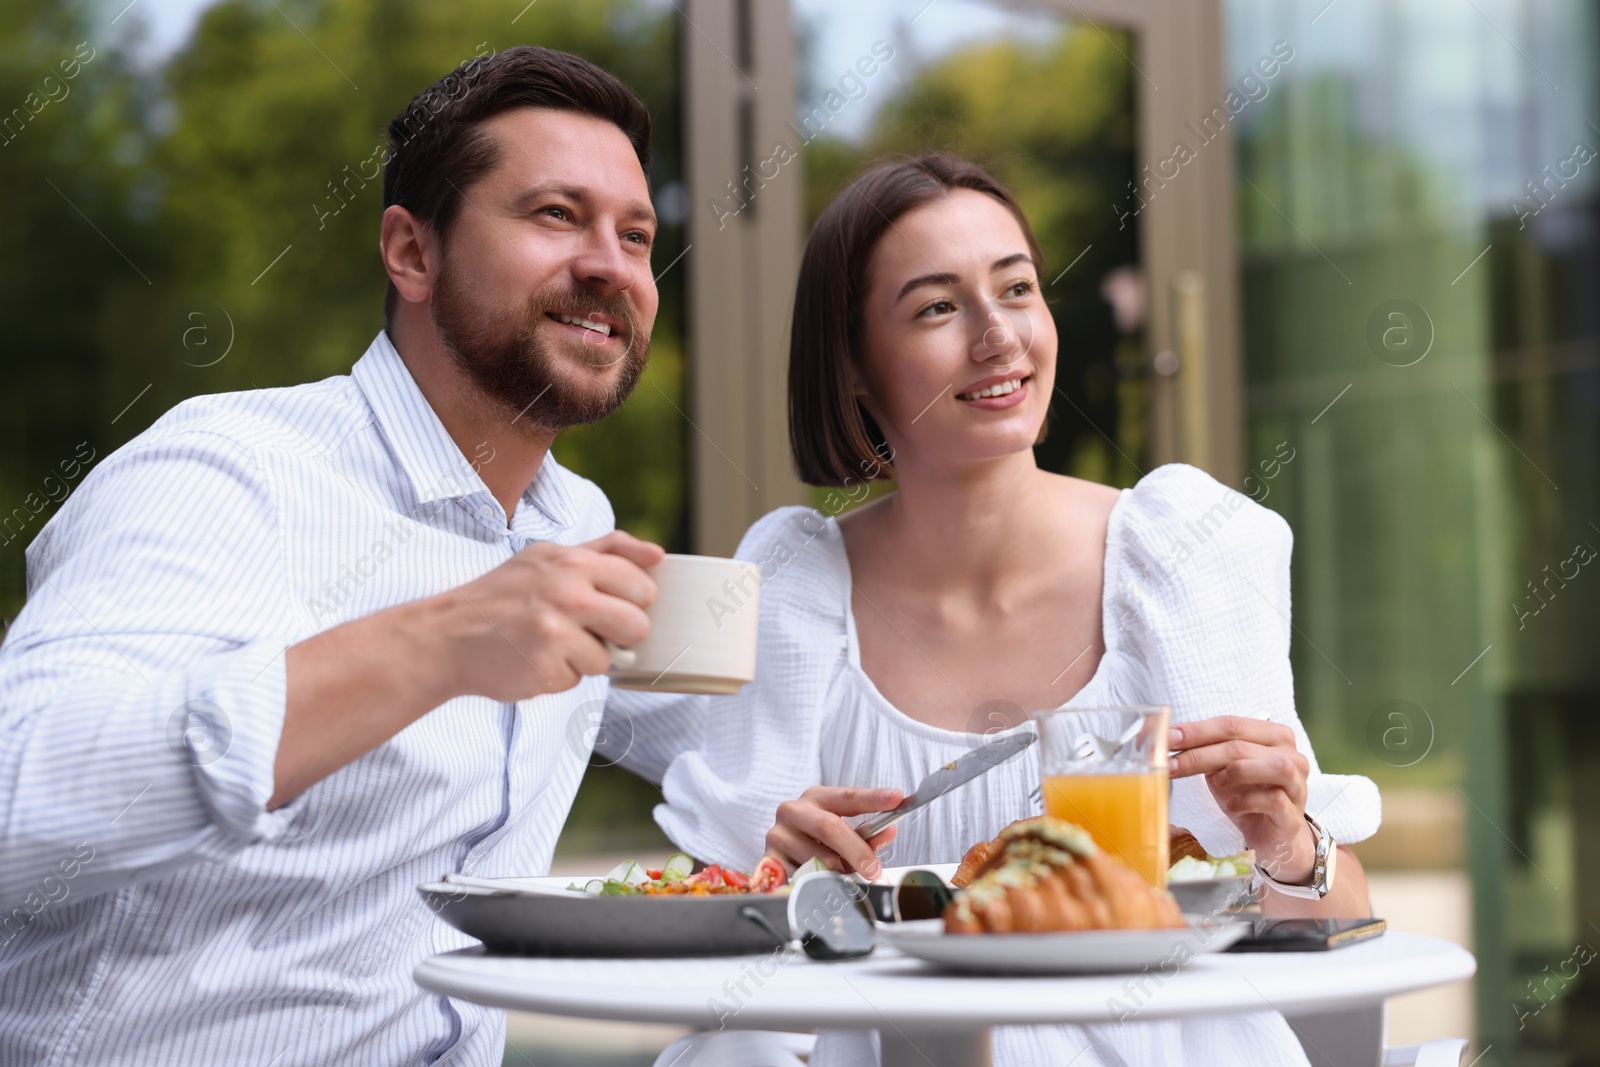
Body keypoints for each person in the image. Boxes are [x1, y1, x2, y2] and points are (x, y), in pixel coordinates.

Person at [0, 46, 676, 1065]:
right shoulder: (224, 472)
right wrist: (430, 643)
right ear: (411, 252)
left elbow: (666, 709)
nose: (610, 265)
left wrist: (773, 808)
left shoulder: (574, 520)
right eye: (554, 215)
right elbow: (17, 808)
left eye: (635, 234)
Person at [635, 154, 1382, 1066]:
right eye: (938, 307)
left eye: (1018, 288)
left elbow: (1336, 935)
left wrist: (1289, 842)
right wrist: (784, 884)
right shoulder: (793, 586)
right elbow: (718, 961)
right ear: (855, 368)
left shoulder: (1184, 549)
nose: (999, 337)